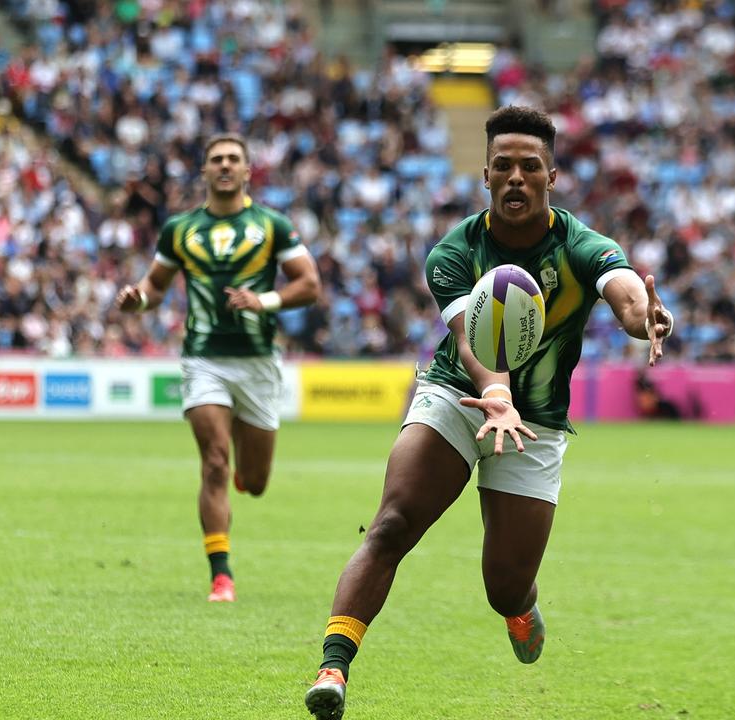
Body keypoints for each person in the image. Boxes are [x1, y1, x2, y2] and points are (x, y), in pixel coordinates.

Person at [303, 106, 675, 720]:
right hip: (457, 396)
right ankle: (333, 668)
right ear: (485, 175)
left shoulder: (583, 245)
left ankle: (522, 609)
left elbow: (625, 289)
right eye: (503, 166)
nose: (516, 178)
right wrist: (494, 394)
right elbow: (473, 344)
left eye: (531, 167)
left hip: (538, 425)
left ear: (552, 177)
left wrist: (647, 319)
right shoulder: (453, 253)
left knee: (503, 587)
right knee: (393, 523)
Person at [114, 133, 320, 602]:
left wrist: (262, 301)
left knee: (256, 481)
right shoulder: (180, 229)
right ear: (204, 171)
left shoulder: (272, 225)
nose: (225, 166)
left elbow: (309, 285)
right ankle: (221, 575)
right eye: (216, 160)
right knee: (213, 462)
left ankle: (247, 475)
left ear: (248, 171)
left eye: (233, 160)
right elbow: (155, 287)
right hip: (204, 358)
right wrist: (137, 300)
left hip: (259, 364)